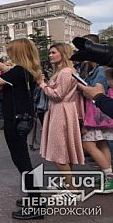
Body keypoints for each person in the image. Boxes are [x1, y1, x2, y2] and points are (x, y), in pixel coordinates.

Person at [0, 38, 43, 220]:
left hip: (14, 121)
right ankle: (34, 197)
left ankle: (36, 204)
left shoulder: (19, 71)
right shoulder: (28, 70)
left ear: (17, 53)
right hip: (24, 119)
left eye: (10, 51)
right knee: (23, 160)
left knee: (22, 162)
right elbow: (6, 70)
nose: (8, 54)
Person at [37, 43, 85, 199]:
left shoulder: (65, 72)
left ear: (63, 54)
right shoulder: (67, 71)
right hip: (64, 111)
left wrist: (42, 84)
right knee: (64, 150)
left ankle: (72, 189)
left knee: (57, 150)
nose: (50, 55)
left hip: (60, 111)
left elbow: (58, 95)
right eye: (50, 52)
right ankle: (69, 186)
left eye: (53, 52)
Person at [80, 41, 113, 193]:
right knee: (101, 144)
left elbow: (98, 90)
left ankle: (109, 176)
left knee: (88, 145)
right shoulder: (96, 69)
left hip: (97, 113)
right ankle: (108, 175)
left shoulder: (100, 69)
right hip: (99, 112)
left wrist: (81, 86)